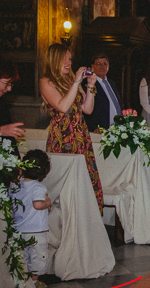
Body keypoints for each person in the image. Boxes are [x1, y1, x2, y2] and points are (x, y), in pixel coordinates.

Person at [40, 43, 103, 212]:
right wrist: (76, 82)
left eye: (69, 58)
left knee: (86, 179)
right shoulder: (46, 82)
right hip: (62, 138)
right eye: (65, 59)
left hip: (80, 136)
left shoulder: (69, 80)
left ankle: (85, 221)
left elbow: (87, 109)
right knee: (66, 184)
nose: (69, 62)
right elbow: (62, 106)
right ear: (55, 60)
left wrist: (90, 86)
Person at [12, 150, 52, 288]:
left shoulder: (16, 185)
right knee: (37, 257)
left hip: (19, 229)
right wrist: (47, 202)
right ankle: (34, 283)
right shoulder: (39, 187)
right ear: (44, 172)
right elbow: (37, 204)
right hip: (36, 231)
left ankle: (24, 281)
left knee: (23, 256)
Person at [84, 53, 123, 132]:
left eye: (105, 64)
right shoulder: (89, 84)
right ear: (92, 66)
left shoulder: (111, 83)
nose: (102, 67)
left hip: (117, 129)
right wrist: (93, 127)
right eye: (98, 64)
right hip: (101, 129)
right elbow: (86, 108)